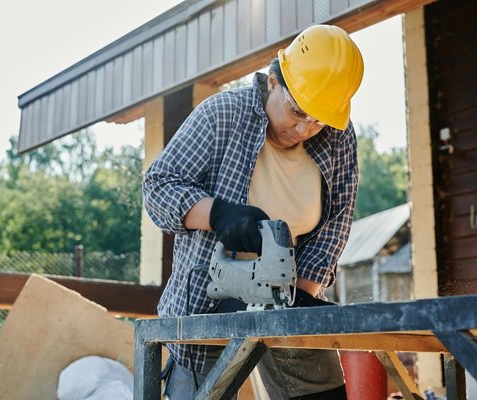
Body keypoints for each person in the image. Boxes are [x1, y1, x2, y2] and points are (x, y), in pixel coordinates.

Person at [142, 24, 364, 400]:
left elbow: (335, 223)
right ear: (274, 82)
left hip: (288, 295)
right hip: (207, 300)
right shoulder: (222, 114)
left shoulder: (339, 138)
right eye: (297, 111)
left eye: (318, 119)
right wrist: (217, 214)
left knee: (321, 390)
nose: (305, 127)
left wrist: (298, 303)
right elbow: (159, 187)